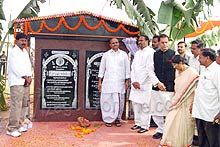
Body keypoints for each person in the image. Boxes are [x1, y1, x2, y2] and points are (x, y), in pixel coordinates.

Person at [159, 55, 199, 147]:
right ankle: (171, 143)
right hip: (176, 102)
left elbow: (196, 90)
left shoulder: (192, 73)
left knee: (184, 126)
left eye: (175, 64)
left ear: (181, 63)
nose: (174, 67)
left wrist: (194, 104)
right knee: (171, 121)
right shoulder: (177, 71)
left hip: (187, 103)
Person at [129, 35, 161, 133]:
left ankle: (144, 125)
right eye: (138, 41)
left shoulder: (151, 52)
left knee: (145, 105)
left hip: (145, 83)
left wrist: (140, 83)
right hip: (135, 83)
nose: (139, 42)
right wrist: (134, 81)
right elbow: (133, 68)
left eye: (142, 40)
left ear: (147, 41)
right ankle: (137, 123)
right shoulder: (137, 53)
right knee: (136, 104)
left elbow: (149, 69)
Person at [98, 38, 130, 127]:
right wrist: (100, 81)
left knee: (119, 101)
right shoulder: (106, 55)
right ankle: (108, 119)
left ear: (118, 44)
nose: (115, 44)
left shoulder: (124, 55)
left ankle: (117, 119)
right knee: (107, 101)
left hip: (119, 82)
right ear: (110, 45)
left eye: (116, 42)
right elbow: (102, 68)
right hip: (108, 82)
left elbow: (127, 68)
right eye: (113, 43)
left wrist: (127, 80)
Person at [192, 48, 220, 147]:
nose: (198, 59)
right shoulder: (204, 70)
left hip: (212, 115)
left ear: (207, 58)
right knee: (203, 141)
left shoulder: (217, 71)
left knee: (214, 142)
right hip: (200, 113)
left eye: (200, 57)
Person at [6, 33, 32, 137]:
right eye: (21, 40)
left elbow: (28, 65)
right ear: (16, 41)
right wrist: (25, 77)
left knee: (24, 104)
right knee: (16, 105)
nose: (24, 42)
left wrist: (29, 77)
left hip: (25, 82)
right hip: (17, 82)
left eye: (25, 41)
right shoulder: (13, 52)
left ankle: (20, 125)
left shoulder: (25, 52)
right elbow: (15, 68)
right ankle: (11, 128)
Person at [150, 34, 175, 139]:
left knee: (169, 110)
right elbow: (150, 70)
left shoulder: (174, 54)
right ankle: (160, 129)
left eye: (166, 42)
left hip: (170, 87)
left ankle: (169, 131)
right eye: (162, 42)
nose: (165, 44)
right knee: (156, 110)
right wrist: (158, 83)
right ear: (159, 43)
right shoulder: (154, 54)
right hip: (157, 86)